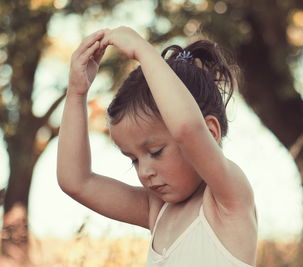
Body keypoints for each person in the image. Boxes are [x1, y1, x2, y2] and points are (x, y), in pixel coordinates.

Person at [57, 26, 258, 267]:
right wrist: (76, 93)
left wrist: (144, 52)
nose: (144, 172)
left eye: (155, 152)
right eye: (134, 159)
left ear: (211, 133)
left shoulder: (228, 199)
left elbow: (186, 129)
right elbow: (76, 181)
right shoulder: (157, 209)